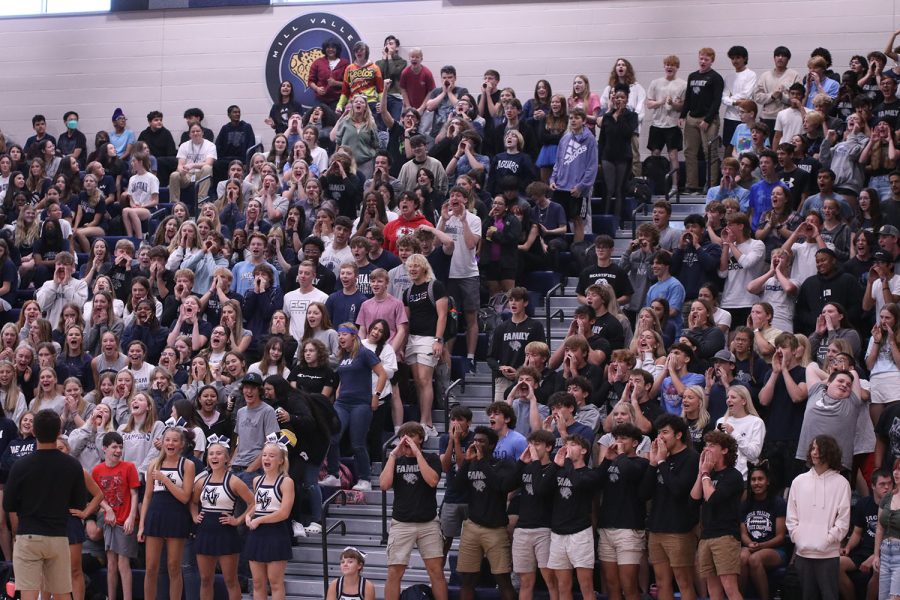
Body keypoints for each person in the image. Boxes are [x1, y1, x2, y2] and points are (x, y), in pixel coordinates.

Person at [3, 409, 88, 600]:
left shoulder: (21, 465)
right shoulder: (72, 465)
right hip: (58, 536)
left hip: (29, 536)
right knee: (62, 594)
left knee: (29, 595)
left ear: (33, 432)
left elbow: (8, 504)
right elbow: (79, 504)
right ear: (59, 432)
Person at [380, 422, 448, 600]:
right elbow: (384, 485)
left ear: (421, 438)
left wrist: (417, 453)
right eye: (404, 435)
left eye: (411, 435)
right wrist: (393, 455)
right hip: (401, 523)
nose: (407, 439)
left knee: (436, 571)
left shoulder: (432, 458)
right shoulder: (395, 460)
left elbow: (432, 481)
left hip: (428, 523)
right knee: (394, 572)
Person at [639, 413, 700, 600]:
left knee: (683, 581)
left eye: (665, 432)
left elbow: (678, 490)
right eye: (659, 433)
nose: (660, 437)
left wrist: (663, 462)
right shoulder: (659, 459)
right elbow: (644, 494)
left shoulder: (691, 458)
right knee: (661, 581)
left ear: (679, 435)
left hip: (679, 529)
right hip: (657, 527)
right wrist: (652, 463)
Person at [455, 426, 517, 600]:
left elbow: (500, 486)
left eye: (481, 441)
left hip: (495, 529)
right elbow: (457, 488)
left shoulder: (503, 465)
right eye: (475, 440)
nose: (476, 444)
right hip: (472, 526)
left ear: (492, 445)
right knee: (467, 580)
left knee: (503, 579)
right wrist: (467, 462)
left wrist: (482, 462)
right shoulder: (471, 463)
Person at [787, 435, 851, 600]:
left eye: (818, 449)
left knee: (830, 596)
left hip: (828, 555)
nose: (814, 453)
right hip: (803, 552)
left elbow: (843, 520)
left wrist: (828, 540)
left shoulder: (841, 483)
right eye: (813, 448)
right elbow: (791, 517)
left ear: (829, 452)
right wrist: (798, 537)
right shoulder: (798, 481)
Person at [190, 435, 254, 600]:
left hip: (226, 534)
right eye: (211, 454)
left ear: (227, 458)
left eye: (219, 454)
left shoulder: (234, 481)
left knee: (231, 580)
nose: (214, 457)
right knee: (205, 580)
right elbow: (193, 502)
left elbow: (253, 503)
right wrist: (195, 516)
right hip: (204, 532)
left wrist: (238, 520)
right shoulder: (201, 481)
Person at [543, 434, 600, 600]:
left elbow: (578, 483)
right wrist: (555, 466)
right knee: (563, 586)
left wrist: (567, 463)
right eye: (566, 444)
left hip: (580, 533)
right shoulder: (559, 471)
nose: (568, 447)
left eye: (573, 445)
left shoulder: (590, 474)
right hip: (558, 533)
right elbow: (542, 490)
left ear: (583, 450)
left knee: (586, 586)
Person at [597, 423, 649, 600]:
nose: (619, 442)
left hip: (629, 528)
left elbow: (630, 472)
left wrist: (619, 455)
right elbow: (596, 482)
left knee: (629, 586)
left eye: (623, 439)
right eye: (617, 438)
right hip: (606, 527)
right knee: (612, 585)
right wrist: (606, 460)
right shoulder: (612, 460)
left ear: (635, 443)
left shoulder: (642, 463)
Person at [690, 429, 744, 600]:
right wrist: (701, 472)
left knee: (729, 587)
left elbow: (712, 498)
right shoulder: (707, 474)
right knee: (713, 590)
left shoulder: (733, 476)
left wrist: (705, 474)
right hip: (706, 536)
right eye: (706, 445)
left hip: (725, 536)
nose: (707, 449)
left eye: (712, 446)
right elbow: (694, 498)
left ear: (725, 450)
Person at [245, 438, 295, 600]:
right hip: (257, 534)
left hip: (276, 533)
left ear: (281, 460)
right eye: (264, 455)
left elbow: (283, 513)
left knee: (275, 583)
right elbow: (258, 505)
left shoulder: (286, 482)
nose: (266, 459)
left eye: (271, 456)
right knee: (258, 583)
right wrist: (249, 515)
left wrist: (259, 520)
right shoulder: (256, 480)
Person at [510, 429, 557, 600]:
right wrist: (521, 463)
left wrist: (536, 463)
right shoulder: (527, 467)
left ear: (549, 447)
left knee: (551, 580)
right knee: (525, 582)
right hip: (523, 528)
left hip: (544, 529)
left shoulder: (555, 468)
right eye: (530, 444)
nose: (532, 447)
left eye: (537, 444)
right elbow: (507, 485)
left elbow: (541, 490)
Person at [92, 431, 140, 600]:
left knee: (123, 563)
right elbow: (97, 496)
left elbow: (135, 494)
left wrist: (131, 517)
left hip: (125, 520)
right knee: (111, 563)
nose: (118, 450)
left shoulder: (129, 467)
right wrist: (108, 509)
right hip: (109, 521)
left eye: (120, 447)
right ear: (104, 448)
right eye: (114, 447)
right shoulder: (97, 470)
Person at [739, 462, 789, 600]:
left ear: (767, 481)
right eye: (753, 480)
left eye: (760, 479)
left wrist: (761, 546)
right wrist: (750, 544)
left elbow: (780, 537)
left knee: (755, 559)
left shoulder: (778, 503)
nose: (756, 483)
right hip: (752, 546)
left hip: (775, 550)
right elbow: (743, 533)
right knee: (742, 557)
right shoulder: (745, 504)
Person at [549, 107, 597, 243]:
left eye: (576, 118)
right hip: (561, 187)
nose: (573, 120)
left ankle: (578, 250)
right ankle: (558, 248)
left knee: (577, 221)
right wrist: (553, 179)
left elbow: (592, 167)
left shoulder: (590, 140)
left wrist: (582, 186)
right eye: (571, 118)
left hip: (577, 189)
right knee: (558, 220)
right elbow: (558, 163)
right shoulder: (564, 139)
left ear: (583, 121)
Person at [681, 48, 725, 193]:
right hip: (692, 118)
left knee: (710, 152)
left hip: (708, 120)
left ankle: (711, 185)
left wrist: (707, 119)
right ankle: (691, 184)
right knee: (689, 152)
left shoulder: (716, 77)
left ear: (712, 61)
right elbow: (688, 97)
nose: (703, 62)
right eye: (701, 59)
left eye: (706, 59)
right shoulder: (692, 76)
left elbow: (716, 101)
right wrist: (682, 115)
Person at [646, 55, 687, 194]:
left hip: (672, 125)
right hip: (657, 124)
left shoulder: (683, 84)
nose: (669, 67)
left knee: (673, 156)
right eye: (667, 65)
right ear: (664, 66)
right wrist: (661, 102)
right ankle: (654, 185)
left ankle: (675, 186)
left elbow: (683, 106)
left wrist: (672, 104)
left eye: (673, 65)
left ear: (677, 67)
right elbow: (649, 104)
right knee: (655, 154)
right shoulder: (655, 83)